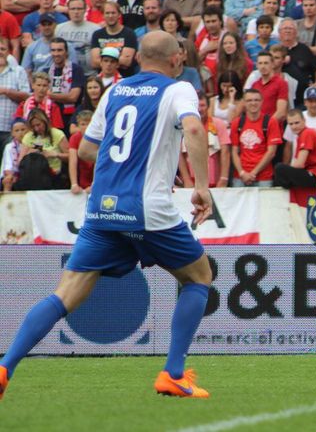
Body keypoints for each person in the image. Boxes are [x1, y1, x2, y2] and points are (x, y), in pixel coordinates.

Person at [0, 30, 215, 400]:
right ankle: (173, 373)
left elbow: (85, 149)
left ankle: (5, 366)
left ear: (139, 58)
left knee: (65, 293)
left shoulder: (116, 90)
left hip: (103, 208)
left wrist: (137, 164)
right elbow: (194, 128)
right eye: (181, 53)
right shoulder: (178, 89)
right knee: (199, 276)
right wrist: (202, 186)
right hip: (147, 208)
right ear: (175, 59)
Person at [230, 88, 282, 187]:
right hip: (240, 176)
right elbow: (234, 151)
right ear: (244, 103)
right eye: (249, 100)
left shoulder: (270, 122)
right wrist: (242, 173)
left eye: (256, 100)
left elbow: (271, 152)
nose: (253, 103)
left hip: (264, 176)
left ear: (262, 102)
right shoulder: (237, 122)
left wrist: (253, 173)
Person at [273, 108, 316, 188]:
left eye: (297, 123)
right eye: (291, 124)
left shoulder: (307, 133)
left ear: (304, 121)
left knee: (280, 169)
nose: (294, 127)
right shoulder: (302, 135)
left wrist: (288, 169)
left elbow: (300, 164)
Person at [90, 1, 138, 77]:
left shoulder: (129, 34)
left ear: (119, 15)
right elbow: (94, 62)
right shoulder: (97, 34)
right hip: (102, 80)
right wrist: (118, 61)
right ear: (103, 15)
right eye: (107, 13)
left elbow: (126, 62)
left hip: (124, 78)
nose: (110, 16)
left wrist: (104, 61)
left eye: (113, 13)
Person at [56, 0, 100, 77]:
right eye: (73, 9)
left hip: (90, 75)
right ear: (68, 10)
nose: (76, 12)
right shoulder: (59, 29)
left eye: (79, 9)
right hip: (66, 74)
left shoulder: (95, 29)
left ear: (85, 9)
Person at [19, 107, 69, 177]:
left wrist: (55, 154)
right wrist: (29, 154)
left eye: (38, 125)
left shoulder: (57, 134)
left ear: (45, 122)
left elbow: (70, 156)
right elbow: (20, 161)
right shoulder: (28, 137)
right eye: (33, 126)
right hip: (34, 174)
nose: (36, 129)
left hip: (55, 173)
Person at [0, 37, 30, 147]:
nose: (0, 52)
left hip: (11, 128)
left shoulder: (18, 71)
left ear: (9, 52)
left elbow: (26, 96)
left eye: (3, 49)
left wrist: (6, 91)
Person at [68, 110, 94, 193]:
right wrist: (74, 184)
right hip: (83, 174)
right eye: (83, 124)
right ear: (78, 126)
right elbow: (73, 161)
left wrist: (94, 184)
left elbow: (99, 161)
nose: (86, 127)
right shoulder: (75, 138)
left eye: (89, 124)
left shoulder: (99, 138)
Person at [1, 118, 29, 191]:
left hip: (27, 174)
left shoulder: (31, 145)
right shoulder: (9, 147)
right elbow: (8, 166)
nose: (20, 133)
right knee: (8, 180)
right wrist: (12, 175)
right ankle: (6, 201)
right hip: (12, 174)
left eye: (23, 130)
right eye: (17, 131)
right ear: (12, 133)